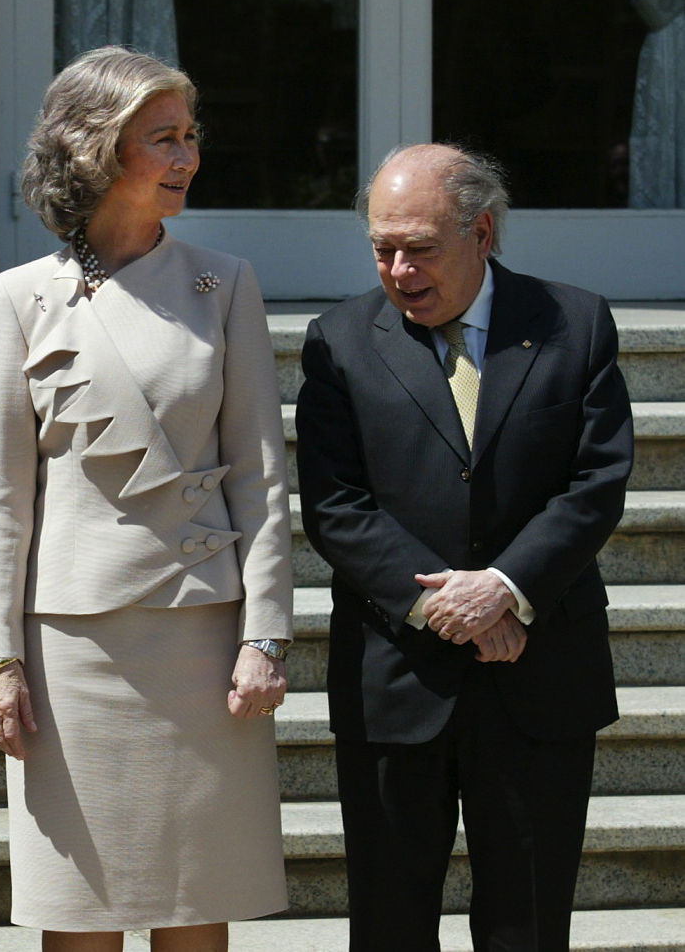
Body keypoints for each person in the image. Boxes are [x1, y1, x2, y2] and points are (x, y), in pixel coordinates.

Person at [0, 47, 293, 950]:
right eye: (163, 139)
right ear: (100, 149)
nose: (187, 156)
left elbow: (262, 476)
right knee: (80, 913)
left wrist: (264, 634)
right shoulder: (16, 298)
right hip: (73, 649)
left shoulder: (223, 283)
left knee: (198, 906)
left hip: (202, 643)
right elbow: (0, 501)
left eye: (190, 136)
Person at [295, 143, 634, 951]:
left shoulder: (573, 323)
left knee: (527, 922)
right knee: (389, 922)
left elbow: (596, 484)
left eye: (420, 248)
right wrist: (448, 603)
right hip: (397, 678)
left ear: (482, 233)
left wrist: (507, 587)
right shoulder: (338, 340)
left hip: (538, 677)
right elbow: (335, 506)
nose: (400, 270)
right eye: (384, 249)